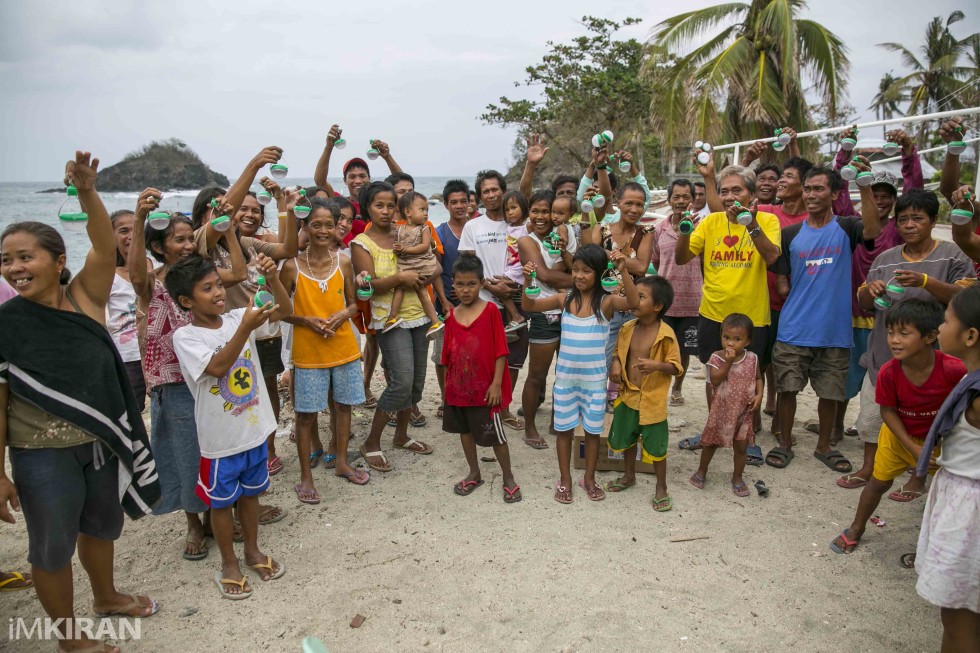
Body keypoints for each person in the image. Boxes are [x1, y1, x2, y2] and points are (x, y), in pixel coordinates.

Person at [0, 152, 162, 653]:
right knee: (51, 548)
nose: (15, 267)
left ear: (58, 260)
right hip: (39, 455)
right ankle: (69, 637)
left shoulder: (85, 297)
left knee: (102, 525)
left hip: (100, 444)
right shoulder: (7, 325)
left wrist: (89, 192)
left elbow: (100, 242)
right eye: (6, 260)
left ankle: (107, 596)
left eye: (25, 256)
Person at [169, 254, 290, 599]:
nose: (218, 292)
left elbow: (282, 309)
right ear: (186, 301)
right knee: (221, 505)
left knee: (251, 496)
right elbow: (219, 367)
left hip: (253, 431)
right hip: (220, 441)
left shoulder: (238, 316)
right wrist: (245, 328)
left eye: (219, 284)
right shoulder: (186, 337)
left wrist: (273, 278)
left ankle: (252, 550)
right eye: (207, 288)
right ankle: (228, 562)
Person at [131, 188, 233, 561]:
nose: (189, 244)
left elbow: (236, 271)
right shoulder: (151, 283)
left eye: (191, 237)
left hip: (207, 376)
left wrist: (228, 224)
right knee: (186, 454)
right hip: (172, 383)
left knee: (216, 447)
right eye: (179, 239)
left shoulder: (200, 278)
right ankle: (194, 522)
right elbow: (134, 271)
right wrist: (140, 217)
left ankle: (218, 515)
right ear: (159, 248)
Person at [851, 189, 975, 494]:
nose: (909, 224)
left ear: (933, 221)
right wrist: (873, 291)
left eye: (917, 218)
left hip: (931, 364)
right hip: (884, 355)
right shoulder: (886, 258)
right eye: (903, 219)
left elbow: (966, 298)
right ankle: (870, 466)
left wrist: (926, 282)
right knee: (872, 418)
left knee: (929, 420)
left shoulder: (951, 254)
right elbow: (863, 300)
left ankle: (918, 475)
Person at [766, 166, 882, 471]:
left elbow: (873, 231)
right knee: (786, 389)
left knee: (831, 393)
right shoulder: (791, 233)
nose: (811, 195)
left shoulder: (847, 227)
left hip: (834, 330)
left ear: (834, 194)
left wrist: (865, 185)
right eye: (807, 189)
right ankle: (785, 443)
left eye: (819, 189)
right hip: (794, 327)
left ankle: (824, 447)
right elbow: (782, 276)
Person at [831, 300, 965, 555]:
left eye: (904, 333)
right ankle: (856, 527)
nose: (894, 340)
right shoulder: (889, 372)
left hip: (941, 441)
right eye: (891, 332)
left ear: (930, 336)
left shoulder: (952, 368)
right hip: (898, 437)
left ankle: (930, 546)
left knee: (947, 494)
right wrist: (913, 448)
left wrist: (932, 445)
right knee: (878, 484)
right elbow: (888, 411)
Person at [522, 244, 639, 503]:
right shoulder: (563, 299)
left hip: (595, 383)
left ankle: (589, 478)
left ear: (598, 274)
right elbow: (529, 305)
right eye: (575, 270)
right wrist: (528, 280)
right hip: (565, 381)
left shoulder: (607, 302)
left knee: (592, 433)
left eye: (586, 271)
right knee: (563, 431)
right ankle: (565, 480)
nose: (579, 276)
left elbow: (634, 302)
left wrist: (624, 272)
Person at [280, 199, 370, 505]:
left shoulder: (343, 262)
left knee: (343, 407)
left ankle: (342, 461)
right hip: (308, 353)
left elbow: (355, 303)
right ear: (304, 226)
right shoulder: (292, 266)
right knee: (305, 416)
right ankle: (306, 476)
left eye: (328, 224)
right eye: (315, 224)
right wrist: (305, 320)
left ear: (337, 228)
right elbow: (279, 310)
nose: (322, 230)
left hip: (343, 347)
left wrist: (343, 315)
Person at [674, 165, 780, 420]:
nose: (730, 196)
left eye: (737, 190)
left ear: (751, 193)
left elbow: (772, 257)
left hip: (753, 317)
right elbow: (682, 258)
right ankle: (715, 426)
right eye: (724, 191)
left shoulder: (768, 219)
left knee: (750, 377)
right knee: (713, 376)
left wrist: (751, 224)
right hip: (713, 313)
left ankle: (748, 431)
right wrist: (683, 230)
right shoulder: (711, 221)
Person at [351, 182, 435, 472]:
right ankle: (371, 442)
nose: (386, 211)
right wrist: (402, 279)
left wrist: (429, 271)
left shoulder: (405, 232)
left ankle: (401, 435)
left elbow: (432, 258)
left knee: (416, 382)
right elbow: (370, 286)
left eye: (390, 205)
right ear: (367, 208)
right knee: (400, 382)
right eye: (379, 205)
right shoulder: (361, 244)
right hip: (390, 318)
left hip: (420, 315)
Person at [914, 286, 980, 652]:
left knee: (959, 623)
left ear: (970, 335)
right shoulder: (969, 381)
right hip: (962, 499)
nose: (940, 327)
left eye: (947, 320)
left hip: (970, 514)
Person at [442, 254, 522, 503]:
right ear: (453, 284)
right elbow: (447, 357)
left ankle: (508, 477)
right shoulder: (452, 316)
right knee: (464, 432)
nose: (465, 290)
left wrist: (496, 383)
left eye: (471, 284)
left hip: (484, 390)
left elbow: (501, 351)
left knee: (496, 436)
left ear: (481, 283)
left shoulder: (490, 312)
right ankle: (474, 472)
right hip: (458, 390)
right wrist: (447, 389)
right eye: (460, 284)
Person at [458, 169, 529, 431]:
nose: (491, 195)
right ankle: (483, 407)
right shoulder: (472, 226)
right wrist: (490, 286)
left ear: (503, 190)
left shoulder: (518, 221)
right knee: (483, 358)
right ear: (480, 196)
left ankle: (505, 409)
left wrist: (509, 286)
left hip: (516, 297)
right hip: (484, 302)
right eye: (485, 191)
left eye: (494, 189)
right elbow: (466, 264)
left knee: (513, 358)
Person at [607, 276, 682, 510]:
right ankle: (629, 475)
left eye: (640, 297)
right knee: (628, 440)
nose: (634, 300)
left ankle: (662, 487)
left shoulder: (666, 334)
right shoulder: (627, 328)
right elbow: (618, 352)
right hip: (628, 395)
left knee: (657, 448)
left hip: (652, 402)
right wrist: (616, 364)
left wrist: (656, 365)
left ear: (657, 306)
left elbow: (676, 367)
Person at [517, 190, 574, 449]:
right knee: (537, 375)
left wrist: (566, 272)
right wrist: (586, 280)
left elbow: (570, 265)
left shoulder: (566, 234)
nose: (541, 217)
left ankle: (556, 422)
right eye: (535, 211)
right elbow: (548, 277)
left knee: (565, 373)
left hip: (572, 310)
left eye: (546, 211)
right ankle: (529, 426)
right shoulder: (527, 241)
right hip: (543, 312)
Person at [688, 313, 763, 497]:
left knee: (741, 447)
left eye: (737, 339)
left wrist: (759, 395)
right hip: (721, 411)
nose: (730, 343)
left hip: (742, 413)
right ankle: (701, 471)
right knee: (711, 443)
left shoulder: (752, 358)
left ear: (747, 341)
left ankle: (737, 477)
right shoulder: (716, 358)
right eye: (726, 337)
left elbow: (759, 377)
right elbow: (715, 380)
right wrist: (728, 362)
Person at [650, 179, 702, 406]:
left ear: (693, 199)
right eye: (676, 197)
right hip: (664, 301)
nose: (681, 201)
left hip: (692, 302)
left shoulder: (702, 227)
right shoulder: (659, 228)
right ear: (669, 200)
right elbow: (656, 260)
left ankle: (677, 388)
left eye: (686, 197)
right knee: (660, 347)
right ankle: (658, 387)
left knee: (684, 350)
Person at [432, 179, 472, 419]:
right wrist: (443, 299)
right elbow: (435, 268)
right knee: (442, 354)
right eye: (454, 202)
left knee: (471, 353)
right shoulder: (439, 233)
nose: (459, 206)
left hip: (475, 303)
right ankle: (446, 399)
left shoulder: (476, 228)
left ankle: (467, 396)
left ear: (469, 202)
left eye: (463, 201)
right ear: (446, 204)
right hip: (445, 304)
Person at [382, 191, 446, 339]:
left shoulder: (424, 229)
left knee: (418, 290)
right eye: (422, 210)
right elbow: (398, 247)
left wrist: (405, 249)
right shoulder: (400, 229)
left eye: (427, 210)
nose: (426, 214)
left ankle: (433, 321)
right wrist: (398, 249)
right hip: (407, 265)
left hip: (421, 265)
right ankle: (394, 317)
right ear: (408, 212)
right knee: (405, 288)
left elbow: (424, 247)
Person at [106, 208, 149, 411]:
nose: (131, 236)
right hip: (128, 356)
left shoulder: (154, 264)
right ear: (111, 236)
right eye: (123, 230)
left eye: (136, 229)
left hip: (156, 351)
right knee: (130, 410)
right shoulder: (106, 274)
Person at [500, 190, 530, 332]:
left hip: (519, 266)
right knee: (504, 292)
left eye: (513, 208)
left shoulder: (526, 227)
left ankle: (516, 317)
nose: (510, 212)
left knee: (499, 287)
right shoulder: (509, 228)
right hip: (510, 266)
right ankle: (513, 322)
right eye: (506, 210)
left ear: (523, 208)